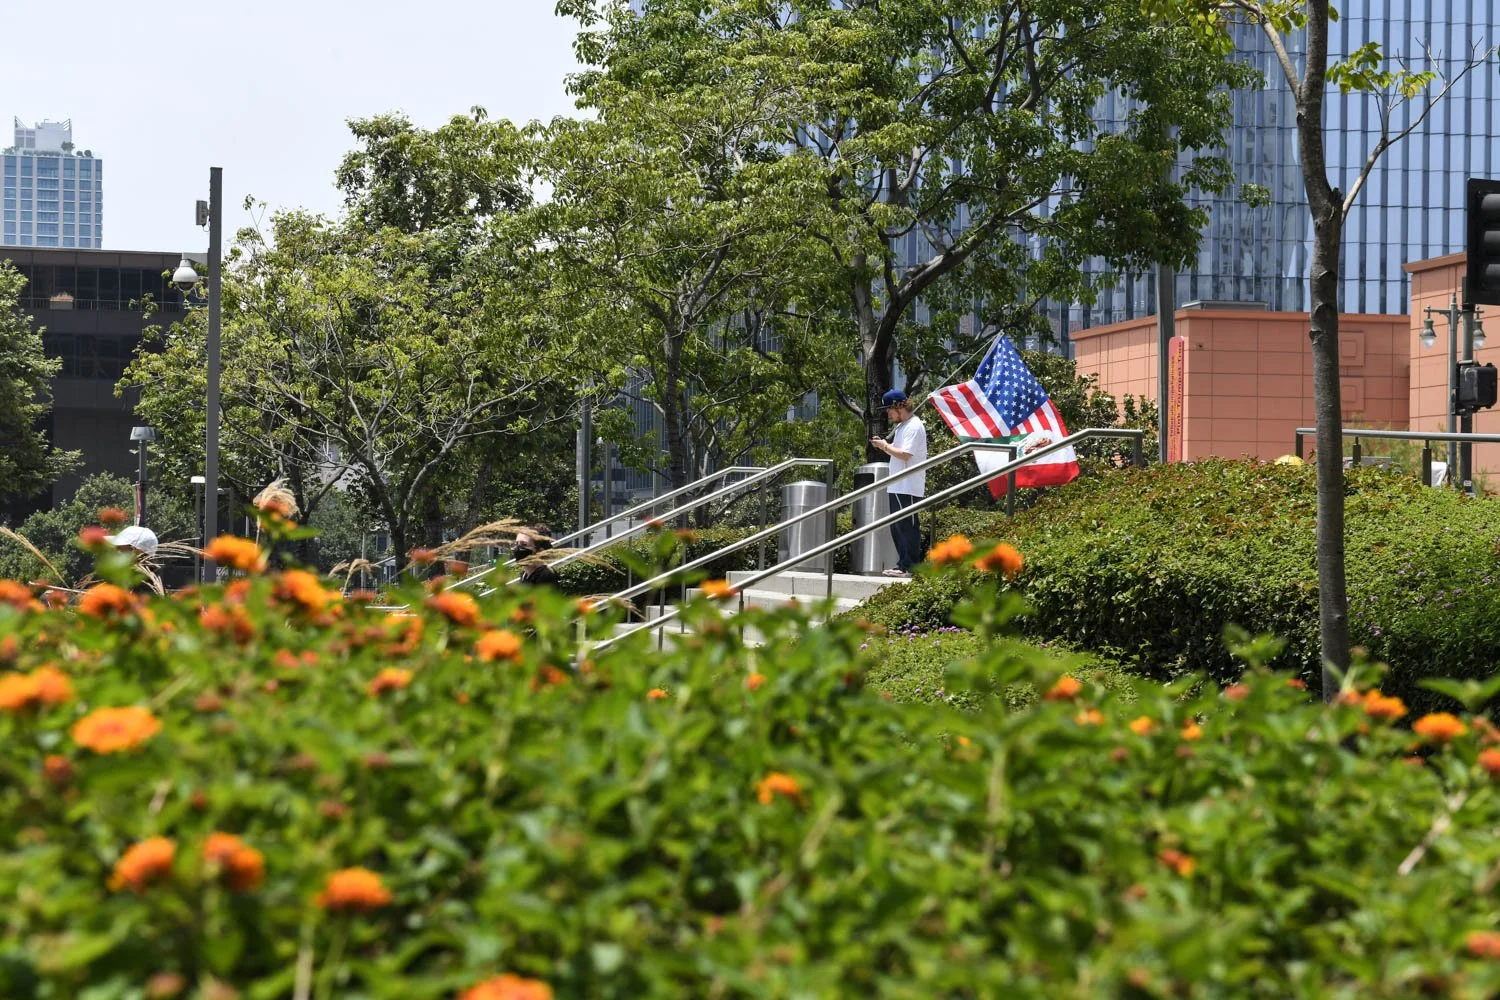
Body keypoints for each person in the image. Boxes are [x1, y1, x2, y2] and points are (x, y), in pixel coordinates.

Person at [870, 389, 928, 577]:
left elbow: (905, 454)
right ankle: (902, 565)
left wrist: (885, 446)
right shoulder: (903, 426)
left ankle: (910, 567)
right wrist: (884, 445)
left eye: (889, 410)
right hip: (897, 484)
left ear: (899, 406)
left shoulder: (914, 426)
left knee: (907, 526)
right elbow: (897, 450)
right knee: (897, 526)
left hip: (908, 485)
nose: (888, 414)